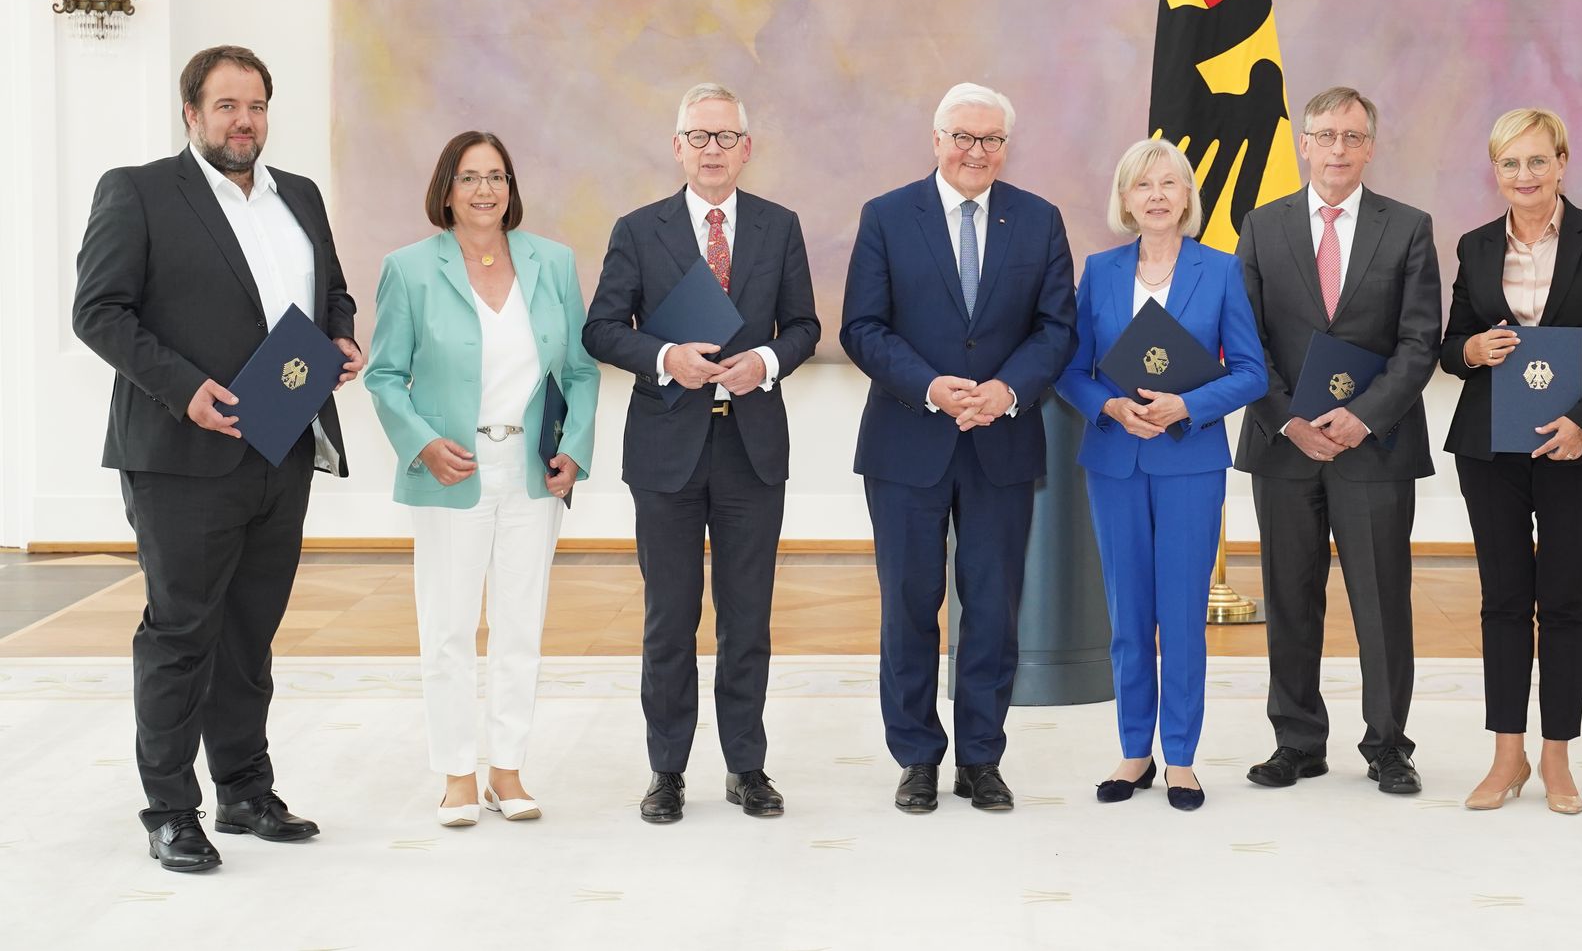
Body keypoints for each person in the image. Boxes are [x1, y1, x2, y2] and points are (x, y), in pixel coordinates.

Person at [73, 46, 363, 873]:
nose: (245, 121)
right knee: (181, 630)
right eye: (228, 105)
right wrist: (185, 387)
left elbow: (330, 289)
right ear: (192, 113)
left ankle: (243, 787)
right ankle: (170, 808)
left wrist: (340, 332)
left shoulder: (298, 196)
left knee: (250, 630)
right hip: (180, 451)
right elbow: (98, 311)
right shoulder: (137, 191)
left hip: (284, 437)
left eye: (258, 105)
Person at [583, 83, 819, 822]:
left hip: (752, 448)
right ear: (677, 145)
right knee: (668, 618)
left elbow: (806, 325)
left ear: (746, 148)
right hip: (666, 450)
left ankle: (747, 766)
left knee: (747, 618)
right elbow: (600, 328)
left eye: (726, 136)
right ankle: (667, 769)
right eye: (699, 135)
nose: (712, 149)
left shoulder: (780, 227)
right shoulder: (637, 228)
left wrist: (769, 364)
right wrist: (663, 358)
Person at [841, 82, 1077, 815]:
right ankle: (916, 756)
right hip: (907, 440)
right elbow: (862, 326)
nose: (977, 152)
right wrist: (932, 386)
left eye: (992, 140)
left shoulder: (1038, 220)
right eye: (964, 137)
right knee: (909, 605)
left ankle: (982, 756)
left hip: (1001, 441)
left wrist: (1005, 391)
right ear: (936, 138)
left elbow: (1056, 329)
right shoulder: (886, 216)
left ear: (1006, 146)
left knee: (994, 610)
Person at [364, 132, 599, 826]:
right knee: (448, 626)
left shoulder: (551, 262)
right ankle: (457, 773)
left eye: (496, 175)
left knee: (520, 625)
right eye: (470, 177)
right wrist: (423, 443)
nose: (485, 189)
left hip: (532, 471)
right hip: (451, 469)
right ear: (446, 189)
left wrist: (575, 448)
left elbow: (580, 370)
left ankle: (507, 770)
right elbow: (383, 375)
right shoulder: (408, 269)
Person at [1234, 85, 1441, 795]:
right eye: (1325, 135)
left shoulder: (1408, 227)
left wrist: (1365, 416)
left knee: (1382, 599)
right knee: (1290, 597)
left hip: (1374, 447)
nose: (1339, 150)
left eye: (1353, 137)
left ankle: (1388, 744)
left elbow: (1420, 342)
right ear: (1305, 143)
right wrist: (1288, 417)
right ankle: (1297, 739)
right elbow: (1245, 339)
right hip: (1284, 445)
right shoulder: (1261, 228)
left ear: (1371, 146)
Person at [1438, 108, 1582, 814]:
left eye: (1536, 161)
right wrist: (1471, 350)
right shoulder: (1472, 245)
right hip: (1489, 445)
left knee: (1563, 602)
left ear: (1561, 161)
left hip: (1579, 448)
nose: (1523, 176)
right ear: (1494, 171)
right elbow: (1450, 344)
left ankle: (1557, 757)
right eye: (1509, 163)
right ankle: (1507, 754)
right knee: (1501, 600)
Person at [1054, 139, 1265, 811]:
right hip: (1116, 460)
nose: (1156, 194)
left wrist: (1187, 405)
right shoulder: (1101, 271)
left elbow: (1253, 372)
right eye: (1142, 183)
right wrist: (1108, 404)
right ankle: (1133, 750)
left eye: (1168, 182)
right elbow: (1071, 368)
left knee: (1180, 615)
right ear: (1125, 198)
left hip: (1189, 463)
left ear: (1186, 197)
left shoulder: (1222, 270)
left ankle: (1180, 756)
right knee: (1127, 615)